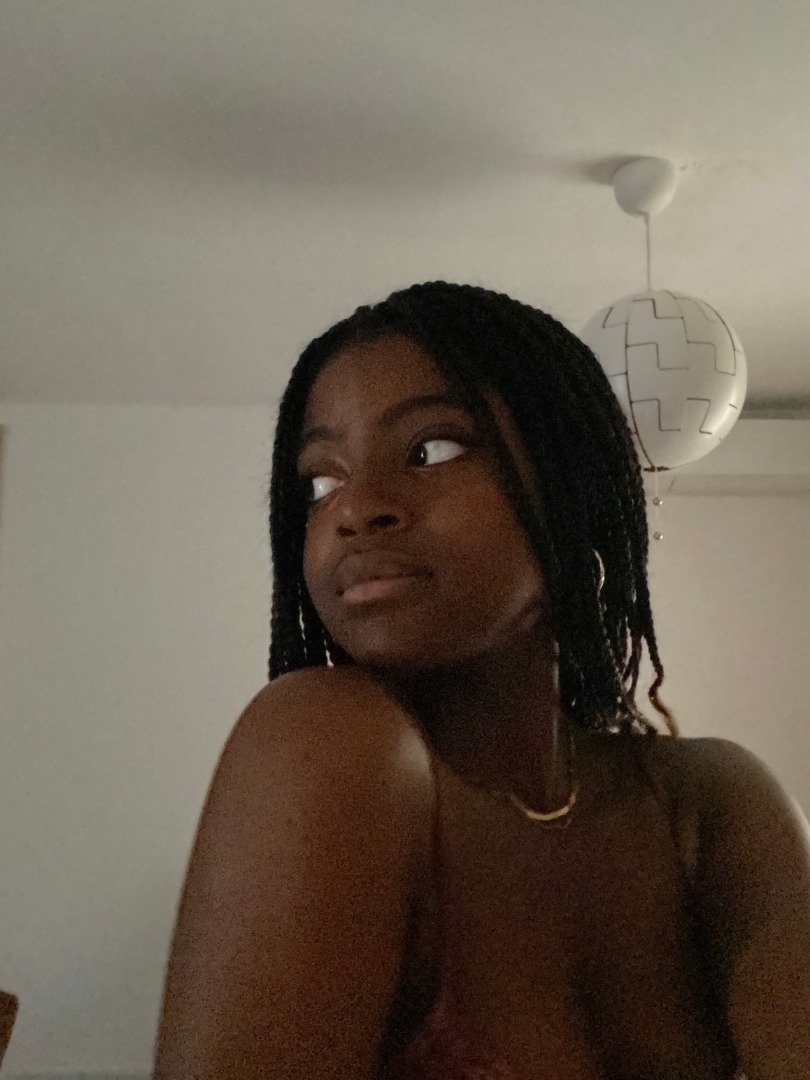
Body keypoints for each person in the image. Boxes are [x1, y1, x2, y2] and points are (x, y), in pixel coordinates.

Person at [153, 282, 810, 1080]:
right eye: (320, 482)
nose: (356, 509)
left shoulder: (705, 804)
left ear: (573, 488)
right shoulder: (329, 741)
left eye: (432, 449)